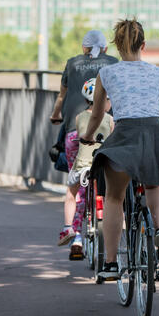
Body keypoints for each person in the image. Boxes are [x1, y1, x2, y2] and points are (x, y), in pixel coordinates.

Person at [80, 18, 159, 280]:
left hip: (124, 136)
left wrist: (88, 136)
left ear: (116, 46)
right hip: (155, 133)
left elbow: (98, 114)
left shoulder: (107, 74)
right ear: (143, 44)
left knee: (114, 196)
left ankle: (112, 264)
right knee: (156, 185)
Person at [50, 29, 117, 247]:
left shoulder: (72, 63)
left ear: (83, 48)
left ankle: (75, 234)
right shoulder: (113, 62)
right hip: (108, 130)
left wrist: (55, 115)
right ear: (105, 49)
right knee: (110, 181)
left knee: (76, 182)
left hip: (75, 132)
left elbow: (62, 96)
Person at [61, 77, 113, 260]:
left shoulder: (78, 117)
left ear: (85, 100)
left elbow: (80, 138)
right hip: (105, 167)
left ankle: (69, 229)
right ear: (106, 100)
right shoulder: (110, 119)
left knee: (72, 195)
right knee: (113, 196)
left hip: (83, 166)